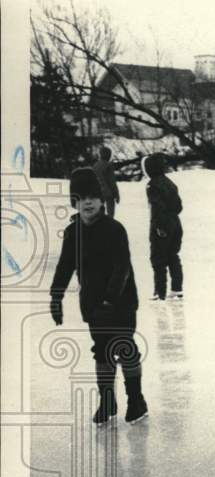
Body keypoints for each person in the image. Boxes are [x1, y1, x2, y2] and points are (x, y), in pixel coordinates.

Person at [49, 168, 147, 425]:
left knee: (124, 347)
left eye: (93, 196)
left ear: (102, 200)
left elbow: (122, 267)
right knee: (102, 351)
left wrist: (110, 300)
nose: (88, 202)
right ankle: (107, 401)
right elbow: (64, 265)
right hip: (92, 304)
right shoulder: (73, 233)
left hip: (121, 301)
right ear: (75, 202)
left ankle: (136, 399)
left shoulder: (115, 229)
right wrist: (55, 297)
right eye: (81, 198)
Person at [142, 154, 184, 301]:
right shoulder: (170, 183)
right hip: (176, 223)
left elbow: (156, 207)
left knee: (158, 259)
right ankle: (177, 289)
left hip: (162, 224)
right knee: (173, 255)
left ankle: (159, 292)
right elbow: (179, 206)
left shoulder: (152, 185)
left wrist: (159, 226)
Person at [92, 146, 121, 218]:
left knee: (99, 212)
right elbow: (112, 181)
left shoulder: (95, 165)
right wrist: (116, 194)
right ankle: (109, 226)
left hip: (97, 192)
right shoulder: (108, 165)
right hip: (108, 193)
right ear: (108, 155)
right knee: (110, 213)